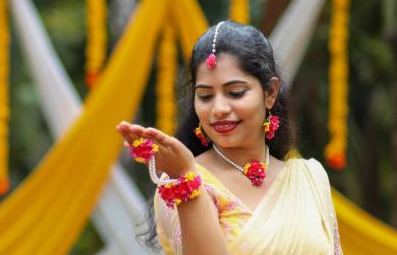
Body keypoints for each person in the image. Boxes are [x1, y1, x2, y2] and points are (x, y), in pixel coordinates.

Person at [116, 21, 342, 255]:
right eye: (205, 96)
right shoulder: (181, 182)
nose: (219, 108)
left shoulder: (309, 179)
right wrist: (185, 177)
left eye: (235, 93)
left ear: (270, 93)